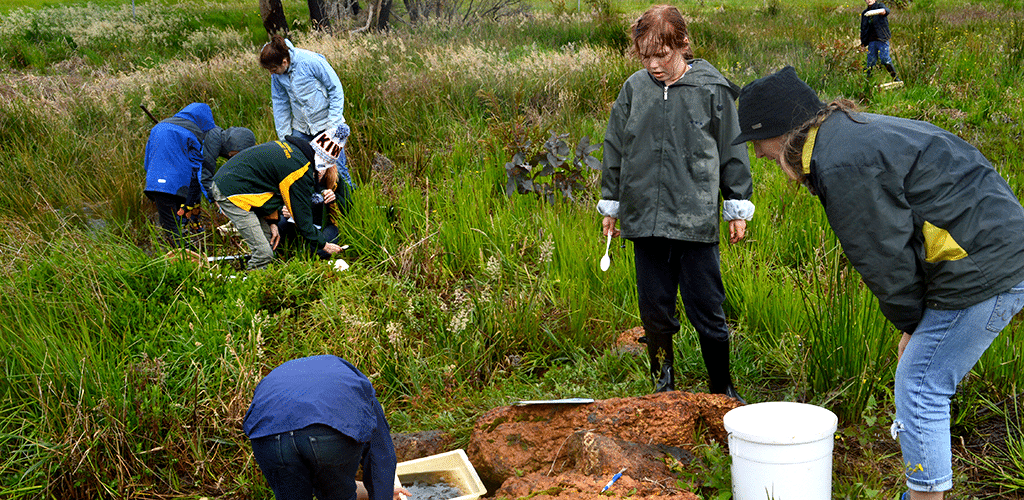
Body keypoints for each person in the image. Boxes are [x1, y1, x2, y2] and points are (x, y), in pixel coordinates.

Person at [731, 66, 1024, 500]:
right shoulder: (847, 135)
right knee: (921, 377)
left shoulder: (843, 162)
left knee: (921, 385)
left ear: (780, 131)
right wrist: (915, 325)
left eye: (757, 142)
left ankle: (924, 497)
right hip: (992, 247)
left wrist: (910, 324)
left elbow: (885, 260)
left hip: (983, 265)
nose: (757, 153)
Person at [598, 5, 754, 401]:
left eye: (662, 55)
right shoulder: (634, 89)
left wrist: (736, 203)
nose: (654, 65)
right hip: (644, 221)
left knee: (708, 309)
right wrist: (611, 204)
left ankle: (721, 387)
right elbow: (615, 148)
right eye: (646, 56)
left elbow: (732, 151)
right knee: (654, 310)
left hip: (695, 222)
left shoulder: (712, 90)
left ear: (683, 45)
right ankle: (663, 386)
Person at [243, 355, 410, 500]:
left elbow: (313, 470)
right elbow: (380, 457)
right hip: (325, 431)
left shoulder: (289, 377)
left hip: (267, 434)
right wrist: (382, 494)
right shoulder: (360, 388)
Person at [211, 125, 348, 269]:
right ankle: (250, 283)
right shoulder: (300, 169)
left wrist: (272, 222)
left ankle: (262, 275)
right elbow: (301, 217)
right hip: (232, 193)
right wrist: (324, 244)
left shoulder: (294, 152)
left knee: (269, 240)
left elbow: (268, 187)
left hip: (236, 185)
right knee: (264, 254)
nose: (320, 174)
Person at [143, 102, 255, 248]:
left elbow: (148, 163)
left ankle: (185, 253)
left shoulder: (167, 128)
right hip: (169, 184)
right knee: (174, 233)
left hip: (158, 182)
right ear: (235, 145)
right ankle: (189, 263)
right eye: (237, 154)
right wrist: (217, 200)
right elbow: (203, 175)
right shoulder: (213, 137)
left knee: (173, 225)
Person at [259, 36, 354, 188]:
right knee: (299, 167)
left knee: (338, 171)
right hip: (301, 128)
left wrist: (332, 126)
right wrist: (285, 136)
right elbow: (280, 103)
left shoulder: (311, 61)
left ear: (284, 61)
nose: (271, 73)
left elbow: (335, 89)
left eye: (273, 69)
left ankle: (349, 201)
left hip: (326, 124)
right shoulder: (277, 76)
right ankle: (317, 205)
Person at [861, 0, 900, 81]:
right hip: (871, 41)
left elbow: (886, 11)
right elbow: (863, 29)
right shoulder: (865, 13)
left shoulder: (880, 6)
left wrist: (883, 11)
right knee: (870, 62)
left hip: (882, 39)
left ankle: (896, 79)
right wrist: (863, 43)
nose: (869, 0)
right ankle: (868, 82)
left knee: (885, 59)